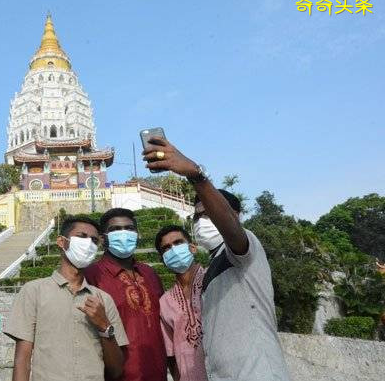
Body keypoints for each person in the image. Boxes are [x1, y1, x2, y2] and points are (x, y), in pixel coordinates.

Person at [142, 137, 290, 381]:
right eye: (197, 217)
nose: (202, 222)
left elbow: (232, 231)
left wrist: (196, 176)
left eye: (209, 213)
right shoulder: (211, 271)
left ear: (235, 215)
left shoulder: (243, 252)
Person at [4, 216, 129, 381]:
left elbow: (116, 370)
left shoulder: (103, 300)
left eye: (93, 240)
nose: (88, 244)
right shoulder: (34, 291)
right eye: (82, 236)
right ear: (62, 242)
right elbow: (23, 359)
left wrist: (104, 327)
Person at [84, 208, 167, 381]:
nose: (124, 233)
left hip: (158, 372)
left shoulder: (149, 273)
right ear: (103, 238)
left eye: (129, 228)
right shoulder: (91, 275)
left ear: (137, 234)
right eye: (115, 230)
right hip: (117, 375)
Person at [155, 225, 208, 381]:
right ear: (163, 260)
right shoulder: (165, 302)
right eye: (166, 248)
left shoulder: (214, 282)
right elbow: (170, 354)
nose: (173, 250)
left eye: (178, 243)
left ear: (192, 248)